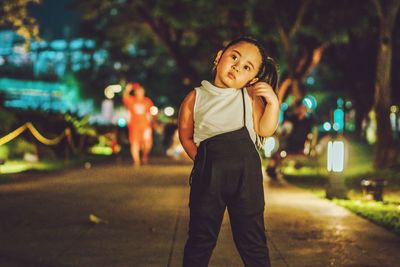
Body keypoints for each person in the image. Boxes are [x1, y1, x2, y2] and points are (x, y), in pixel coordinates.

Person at [178, 36, 279, 267]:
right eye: (234, 57)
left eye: (246, 67)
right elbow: (185, 135)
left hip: (247, 177)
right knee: (200, 236)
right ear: (219, 56)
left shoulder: (250, 96)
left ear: (251, 78)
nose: (236, 66)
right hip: (209, 176)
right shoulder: (196, 97)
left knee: (252, 237)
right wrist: (201, 159)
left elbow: (265, 129)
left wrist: (272, 103)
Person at [123, 82, 154, 166]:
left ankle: (144, 157)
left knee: (147, 144)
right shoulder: (131, 100)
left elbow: (151, 113)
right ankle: (136, 161)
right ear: (135, 92)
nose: (140, 92)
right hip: (134, 126)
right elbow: (125, 97)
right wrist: (127, 90)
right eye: (138, 91)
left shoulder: (147, 101)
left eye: (141, 91)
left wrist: (153, 123)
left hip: (146, 126)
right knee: (135, 143)